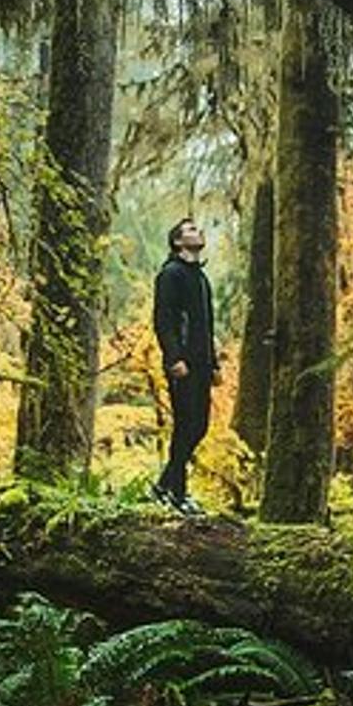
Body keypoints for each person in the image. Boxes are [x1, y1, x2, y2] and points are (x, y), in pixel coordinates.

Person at [151, 216, 218, 515]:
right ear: (178, 242)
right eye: (190, 229)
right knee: (185, 426)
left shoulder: (201, 278)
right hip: (183, 364)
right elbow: (164, 320)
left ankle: (164, 486)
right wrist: (174, 358)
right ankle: (177, 494)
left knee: (199, 426)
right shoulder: (171, 274)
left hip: (202, 364)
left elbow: (207, 325)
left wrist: (214, 364)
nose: (198, 231)